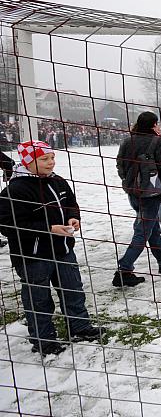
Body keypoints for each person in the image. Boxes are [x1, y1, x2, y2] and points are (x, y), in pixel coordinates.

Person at [0, 141, 103, 355]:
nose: (51, 163)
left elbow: (70, 203)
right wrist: (48, 228)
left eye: (52, 158)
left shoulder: (58, 181)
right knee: (39, 299)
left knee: (73, 290)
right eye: (44, 159)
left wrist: (74, 217)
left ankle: (80, 327)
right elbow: (8, 225)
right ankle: (43, 339)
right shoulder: (15, 189)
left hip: (64, 250)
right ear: (28, 162)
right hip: (33, 256)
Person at [115, 112, 161, 287]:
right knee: (143, 231)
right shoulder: (157, 141)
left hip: (134, 192)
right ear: (153, 125)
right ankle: (124, 269)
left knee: (152, 228)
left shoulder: (127, 141)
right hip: (151, 194)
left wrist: (130, 183)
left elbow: (120, 165)